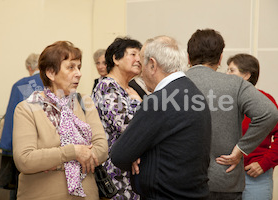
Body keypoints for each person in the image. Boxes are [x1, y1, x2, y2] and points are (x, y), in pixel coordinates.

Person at [110, 35, 212, 199]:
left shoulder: (160, 101)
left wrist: (136, 155)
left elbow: (119, 155)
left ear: (152, 64)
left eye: (142, 63)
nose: (140, 72)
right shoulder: (194, 94)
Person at [185, 28, 278, 199]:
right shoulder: (235, 85)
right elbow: (269, 113)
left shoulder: (173, 84)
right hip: (225, 178)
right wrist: (241, 149)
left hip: (184, 180)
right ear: (220, 58)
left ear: (188, 57)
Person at [12, 41, 108, 199]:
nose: (78, 73)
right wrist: (73, 153)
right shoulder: (26, 109)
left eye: (79, 67)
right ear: (50, 73)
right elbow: (25, 160)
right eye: (71, 67)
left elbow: (102, 149)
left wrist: (51, 161)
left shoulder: (85, 102)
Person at [92, 37, 142, 199]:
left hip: (128, 169)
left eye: (140, 56)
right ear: (116, 58)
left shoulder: (128, 88)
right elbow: (127, 126)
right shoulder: (108, 86)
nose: (138, 60)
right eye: (133, 54)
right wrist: (137, 102)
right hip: (115, 172)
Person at [226, 53, 278, 200]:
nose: (226, 74)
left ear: (246, 75)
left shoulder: (264, 101)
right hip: (227, 176)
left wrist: (264, 163)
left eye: (231, 70)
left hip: (255, 176)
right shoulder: (223, 102)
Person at [0, 53, 43, 199]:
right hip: (49, 148)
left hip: (25, 146)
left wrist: (8, 147)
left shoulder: (20, 85)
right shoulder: (52, 82)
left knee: (19, 187)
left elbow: (11, 119)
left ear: (30, 68)